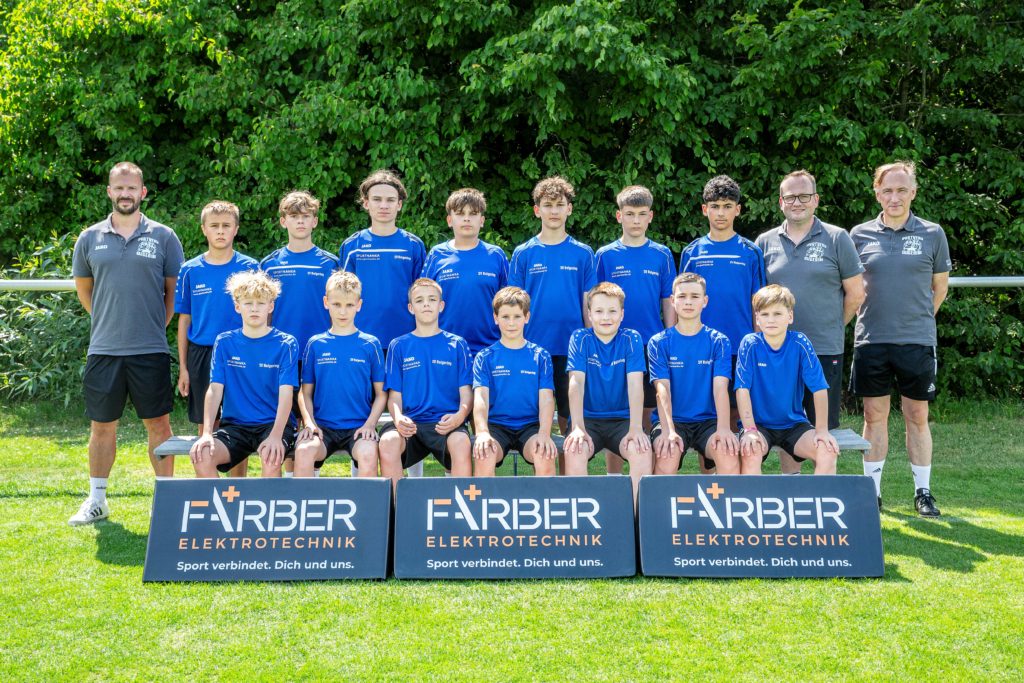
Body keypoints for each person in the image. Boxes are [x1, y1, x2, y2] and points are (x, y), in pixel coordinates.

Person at [69, 162, 184, 525]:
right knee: (102, 426)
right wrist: (109, 320)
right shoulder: (90, 238)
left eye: (131, 188)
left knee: (159, 426)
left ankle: (166, 502)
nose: (125, 194)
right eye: (119, 188)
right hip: (104, 349)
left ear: (142, 192)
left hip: (150, 348)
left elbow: (172, 293)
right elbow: (85, 291)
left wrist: (154, 325)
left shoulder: (164, 236)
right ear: (109, 192)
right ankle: (97, 500)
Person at [850, 161, 951, 516]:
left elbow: (940, 288)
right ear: (877, 192)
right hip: (871, 339)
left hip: (916, 341)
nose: (895, 197)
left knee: (917, 415)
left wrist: (917, 320)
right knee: (873, 415)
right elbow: (850, 287)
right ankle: (872, 493)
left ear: (914, 192)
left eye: (902, 190)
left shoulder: (932, 233)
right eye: (888, 190)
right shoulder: (858, 234)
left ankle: (923, 492)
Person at [755, 170, 865, 473]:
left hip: (823, 348)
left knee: (819, 431)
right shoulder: (765, 242)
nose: (797, 202)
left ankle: (816, 491)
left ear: (815, 200)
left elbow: (856, 294)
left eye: (804, 196)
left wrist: (832, 326)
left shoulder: (837, 237)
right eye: (790, 196)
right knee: (787, 424)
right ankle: (791, 487)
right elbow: (758, 299)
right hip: (778, 353)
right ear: (781, 202)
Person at [679, 175, 765, 463]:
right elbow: (682, 300)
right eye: (715, 206)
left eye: (727, 206)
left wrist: (757, 346)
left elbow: (758, 305)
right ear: (705, 210)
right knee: (709, 418)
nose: (720, 213)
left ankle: (734, 477)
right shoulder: (692, 252)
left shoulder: (751, 252)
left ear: (737, 210)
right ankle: (711, 481)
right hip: (701, 349)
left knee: (738, 413)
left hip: (740, 347)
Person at [595, 185, 676, 474]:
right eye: (630, 214)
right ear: (619, 216)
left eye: (642, 214)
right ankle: (613, 478)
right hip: (614, 345)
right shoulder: (605, 255)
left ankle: (646, 480)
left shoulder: (662, 254)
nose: (636, 220)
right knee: (618, 414)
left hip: (651, 344)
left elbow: (667, 299)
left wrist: (669, 337)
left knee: (647, 413)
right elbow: (596, 301)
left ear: (650, 216)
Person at [174, 200, 258, 477]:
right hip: (202, 353)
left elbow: (262, 316)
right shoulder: (190, 269)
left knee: (239, 424)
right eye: (214, 226)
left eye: (226, 225)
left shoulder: (250, 267)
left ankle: (238, 490)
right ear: (204, 229)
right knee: (206, 423)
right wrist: (183, 368)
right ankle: (206, 488)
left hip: (240, 352)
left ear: (236, 229)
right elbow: (184, 320)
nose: (220, 231)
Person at [509, 176, 596, 438]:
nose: (554, 211)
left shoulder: (583, 253)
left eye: (560, 205)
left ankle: (567, 466)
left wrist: (591, 344)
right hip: (532, 348)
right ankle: (539, 464)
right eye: (548, 205)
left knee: (570, 419)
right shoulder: (523, 253)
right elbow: (514, 305)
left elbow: (589, 305)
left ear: (569, 208)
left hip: (572, 348)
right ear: (537, 210)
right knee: (535, 418)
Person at [189, 271, 299, 478]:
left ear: (271, 306)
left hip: (273, 425)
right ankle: (221, 501)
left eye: (260, 303)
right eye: (248, 303)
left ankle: (269, 501)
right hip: (236, 426)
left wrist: (276, 436)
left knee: (271, 457)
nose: (254, 308)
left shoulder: (286, 343)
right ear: (237, 306)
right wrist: (206, 433)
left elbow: (286, 394)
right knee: (202, 456)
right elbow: (215, 389)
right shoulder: (224, 342)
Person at [734, 285, 839, 475]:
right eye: (765, 314)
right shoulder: (750, 344)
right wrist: (749, 429)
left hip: (793, 424)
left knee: (827, 451)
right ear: (757, 318)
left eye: (777, 313)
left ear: (790, 316)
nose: (771, 319)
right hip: (758, 425)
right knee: (750, 451)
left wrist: (822, 430)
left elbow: (819, 388)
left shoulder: (800, 343)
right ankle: (754, 496)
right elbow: (742, 390)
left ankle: (817, 496)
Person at [378, 278, 473, 486]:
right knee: (388, 442)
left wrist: (459, 416)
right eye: (419, 300)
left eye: (432, 299)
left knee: (461, 442)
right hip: (411, 425)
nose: (426, 304)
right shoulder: (398, 345)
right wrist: (398, 418)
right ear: (411, 308)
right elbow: (394, 396)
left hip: (445, 423)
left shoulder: (457, 344)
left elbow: (466, 393)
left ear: (441, 305)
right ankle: (396, 504)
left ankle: (461, 503)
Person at [564, 282, 652, 503]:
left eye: (612, 311)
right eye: (599, 311)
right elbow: (576, 383)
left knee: (641, 451)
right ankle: (582, 517)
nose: (606, 317)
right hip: (588, 420)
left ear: (622, 314)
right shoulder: (580, 338)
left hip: (622, 421)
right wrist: (577, 427)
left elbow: (635, 384)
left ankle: (636, 518)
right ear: (589, 314)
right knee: (575, 450)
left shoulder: (631, 338)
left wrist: (636, 427)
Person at [293, 271, 386, 478]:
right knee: (304, 451)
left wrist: (370, 424)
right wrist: (309, 423)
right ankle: (305, 500)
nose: (343, 311)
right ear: (326, 302)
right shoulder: (315, 344)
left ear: (359, 305)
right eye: (336, 304)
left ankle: (364, 501)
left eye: (349, 305)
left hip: (359, 427)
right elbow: (305, 393)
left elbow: (381, 394)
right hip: (322, 428)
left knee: (368, 454)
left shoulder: (370, 344)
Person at [647, 273, 738, 474]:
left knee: (727, 453)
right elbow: (662, 390)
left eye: (695, 296)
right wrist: (668, 430)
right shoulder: (659, 342)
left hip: (708, 421)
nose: (688, 302)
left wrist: (723, 428)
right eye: (682, 296)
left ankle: (723, 497)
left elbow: (720, 389)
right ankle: (659, 497)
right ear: (672, 300)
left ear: (705, 301)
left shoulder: (719, 341)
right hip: (672, 420)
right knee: (667, 453)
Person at [472, 287, 559, 476]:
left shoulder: (541, 356)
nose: (511, 323)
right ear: (495, 318)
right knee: (484, 454)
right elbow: (480, 399)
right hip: (496, 426)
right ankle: (486, 497)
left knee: (544, 453)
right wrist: (482, 432)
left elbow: (547, 399)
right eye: (505, 317)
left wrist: (544, 433)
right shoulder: (485, 357)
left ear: (527, 317)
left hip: (530, 426)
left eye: (517, 316)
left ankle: (543, 497)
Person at [339, 170, 426, 353]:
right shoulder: (352, 246)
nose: (384, 205)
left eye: (390, 200)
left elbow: (423, 295)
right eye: (377, 199)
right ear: (366, 203)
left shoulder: (413, 245)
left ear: (399, 204)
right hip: (360, 339)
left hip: (406, 339)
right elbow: (341, 296)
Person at [421, 188, 509, 357]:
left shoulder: (496, 255)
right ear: (449, 220)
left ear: (482, 220)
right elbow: (422, 301)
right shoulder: (436, 255)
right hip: (444, 349)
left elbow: (510, 304)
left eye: (473, 213)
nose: (467, 218)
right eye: (460, 213)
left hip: (490, 349)